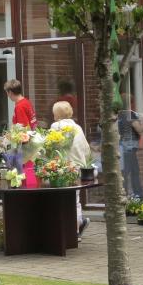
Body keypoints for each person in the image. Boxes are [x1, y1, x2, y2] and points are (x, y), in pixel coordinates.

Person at [51, 101, 92, 237]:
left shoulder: (55, 126)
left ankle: (68, 229)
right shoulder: (77, 128)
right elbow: (86, 149)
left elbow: (49, 146)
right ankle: (77, 227)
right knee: (75, 198)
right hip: (77, 168)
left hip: (61, 167)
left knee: (60, 197)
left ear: (56, 115)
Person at [117, 93, 143, 198]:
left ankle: (127, 193)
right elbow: (139, 129)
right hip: (130, 146)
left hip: (121, 146)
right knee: (133, 171)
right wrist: (142, 123)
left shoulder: (117, 114)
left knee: (126, 171)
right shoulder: (131, 114)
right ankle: (137, 194)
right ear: (130, 103)